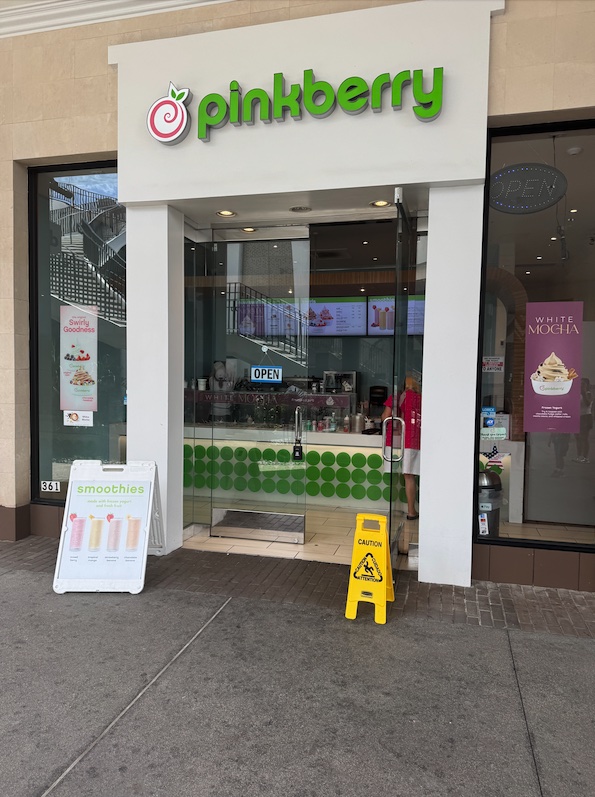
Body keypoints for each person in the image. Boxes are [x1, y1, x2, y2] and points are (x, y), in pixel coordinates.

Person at [381, 376, 421, 520]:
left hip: (398, 440)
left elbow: (385, 417)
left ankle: (409, 510)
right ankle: (412, 510)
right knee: (410, 475)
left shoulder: (396, 397)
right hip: (416, 439)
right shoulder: (422, 398)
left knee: (405, 475)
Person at [574, 378, 593, 464]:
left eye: (583, 384)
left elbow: (588, 404)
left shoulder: (588, 393)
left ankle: (585, 457)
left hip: (586, 417)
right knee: (577, 438)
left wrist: (584, 392)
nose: (581, 385)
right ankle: (579, 456)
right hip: (577, 417)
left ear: (587, 385)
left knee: (584, 438)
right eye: (580, 384)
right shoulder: (577, 394)